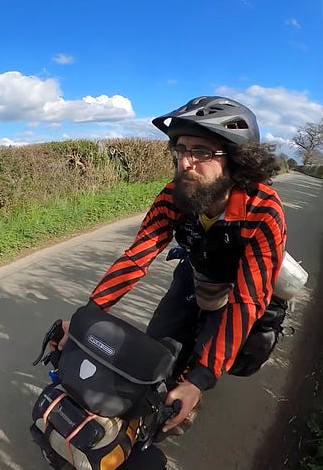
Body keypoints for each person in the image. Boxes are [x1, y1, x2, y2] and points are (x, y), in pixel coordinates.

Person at [53, 96, 287, 434]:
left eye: (202, 152)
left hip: (238, 285)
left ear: (236, 161)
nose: (185, 163)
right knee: (158, 347)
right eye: (180, 149)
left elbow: (248, 300)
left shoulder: (263, 209)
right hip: (195, 274)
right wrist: (86, 314)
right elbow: (137, 256)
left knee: (218, 351)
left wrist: (199, 380)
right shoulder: (173, 197)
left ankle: (191, 390)